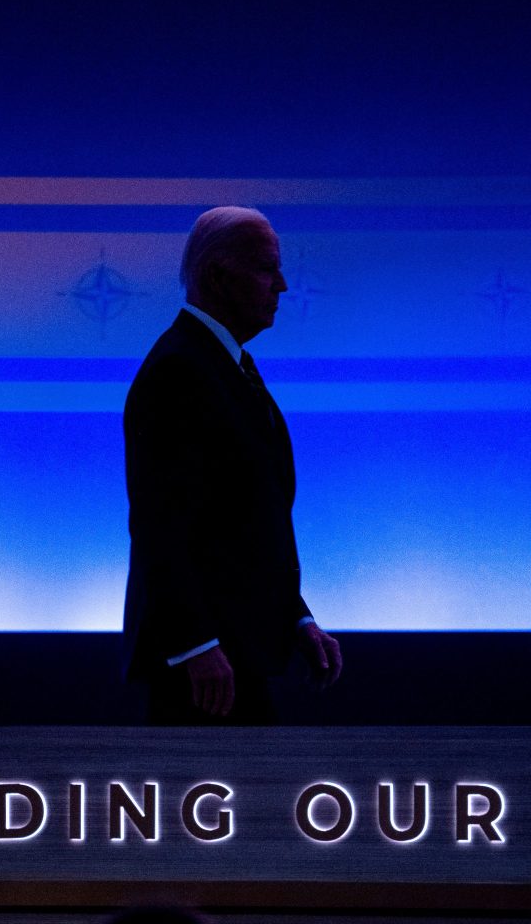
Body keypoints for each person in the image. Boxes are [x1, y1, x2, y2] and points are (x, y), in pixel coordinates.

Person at [122, 206, 342, 724]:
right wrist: (193, 643)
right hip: (204, 672)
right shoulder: (179, 369)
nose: (282, 285)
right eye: (267, 268)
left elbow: (244, 523)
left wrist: (296, 617)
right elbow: (161, 523)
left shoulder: (226, 364)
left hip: (237, 653)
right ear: (219, 277)